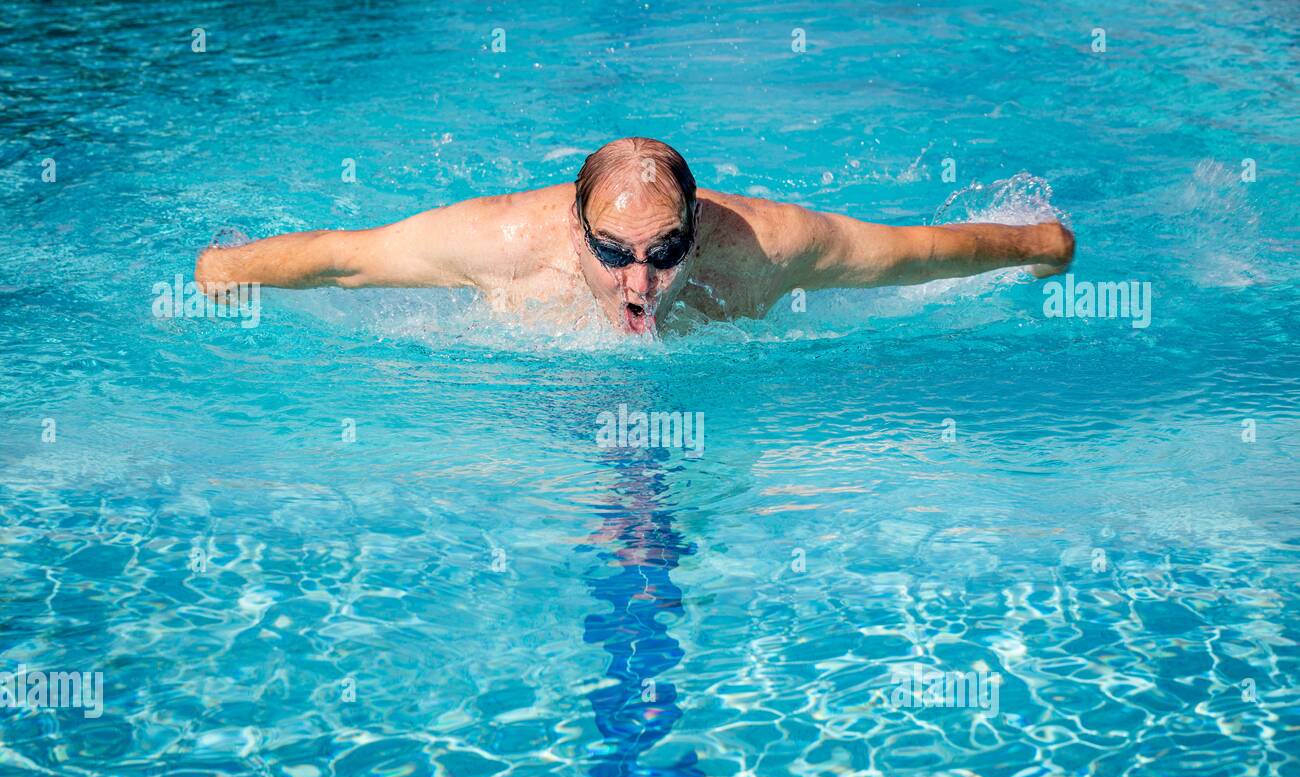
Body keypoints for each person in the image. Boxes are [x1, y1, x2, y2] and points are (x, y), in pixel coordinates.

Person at [195, 136, 1074, 335]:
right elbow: (348, 259)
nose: (638, 287)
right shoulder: (497, 240)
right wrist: (227, 268)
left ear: (696, 233)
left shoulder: (765, 248)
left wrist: (1039, 246)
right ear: (575, 231)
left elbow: (918, 254)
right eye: (613, 254)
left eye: (664, 256)